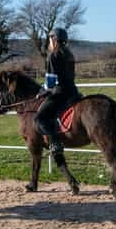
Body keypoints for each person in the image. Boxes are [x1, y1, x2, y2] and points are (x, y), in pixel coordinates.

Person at [34, 28, 80, 158]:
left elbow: (51, 82)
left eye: (50, 39)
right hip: (73, 91)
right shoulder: (70, 55)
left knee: (39, 119)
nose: (49, 42)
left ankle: (55, 143)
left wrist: (42, 91)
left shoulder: (52, 56)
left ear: (54, 39)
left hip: (60, 94)